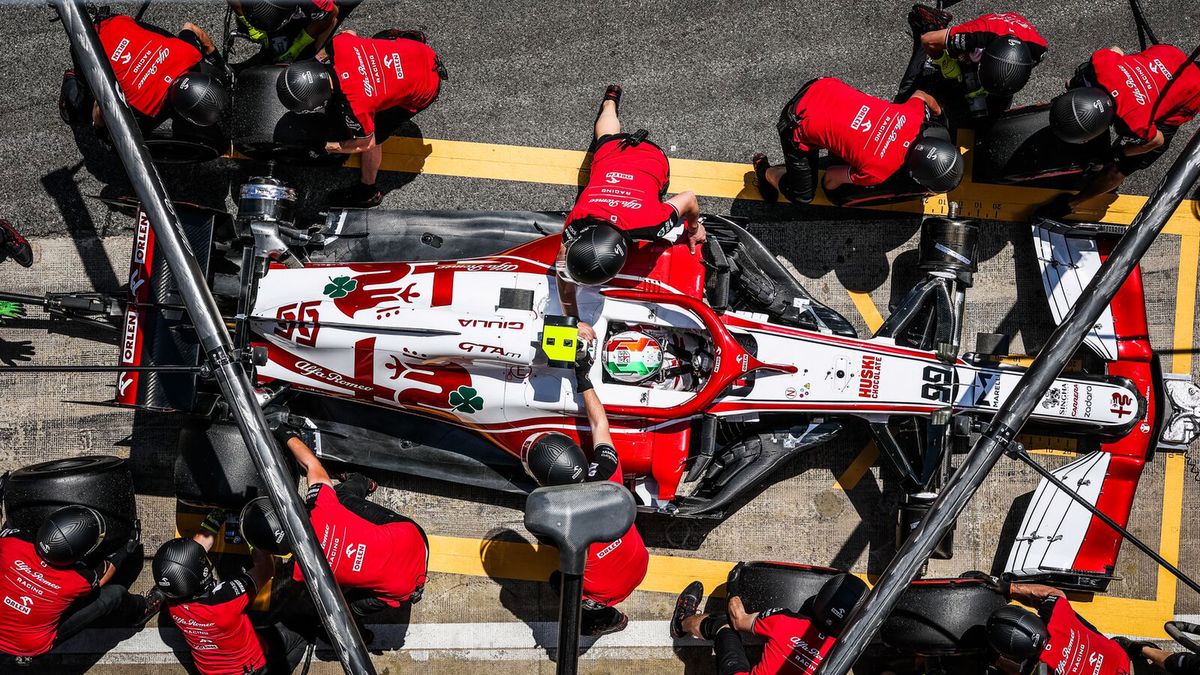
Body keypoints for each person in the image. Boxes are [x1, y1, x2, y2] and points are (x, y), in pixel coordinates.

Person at [241, 431, 429, 634]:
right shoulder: (324, 505)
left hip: (404, 588)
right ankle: (362, 481)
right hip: (413, 540)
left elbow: (267, 568)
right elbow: (311, 464)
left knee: (346, 609)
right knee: (340, 496)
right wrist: (283, 432)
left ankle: (358, 635)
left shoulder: (302, 572)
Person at [521, 348, 649, 636]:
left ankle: (600, 620)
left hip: (606, 591)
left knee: (560, 583)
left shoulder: (553, 522)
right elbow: (599, 424)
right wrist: (584, 378)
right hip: (639, 563)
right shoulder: (606, 472)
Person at [555, 85, 704, 311]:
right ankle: (609, 103)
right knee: (605, 138)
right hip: (615, 151)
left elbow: (689, 198)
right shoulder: (577, 219)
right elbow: (563, 259)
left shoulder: (653, 224)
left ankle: (609, 103)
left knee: (607, 141)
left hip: (653, 158)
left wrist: (694, 229)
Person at [276, 29, 447, 208]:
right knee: (377, 41)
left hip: (427, 85)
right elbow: (350, 32)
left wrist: (327, 147)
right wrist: (314, 62)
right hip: (418, 51)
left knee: (378, 131)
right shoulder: (340, 45)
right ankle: (413, 38)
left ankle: (368, 191)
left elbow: (367, 143)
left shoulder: (355, 107)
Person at [1040, 43, 1200, 219]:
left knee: (1121, 168)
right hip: (1168, 55)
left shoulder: (1137, 123)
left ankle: (1072, 203)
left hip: (1191, 88)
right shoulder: (1100, 64)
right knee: (1073, 82)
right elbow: (1115, 51)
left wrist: (1120, 152)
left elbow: (1157, 141)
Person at [751, 77, 963, 207]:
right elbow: (830, 180)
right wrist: (838, 194)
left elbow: (921, 94)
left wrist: (940, 113)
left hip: (823, 86)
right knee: (801, 196)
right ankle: (763, 170)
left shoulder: (914, 116)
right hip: (796, 120)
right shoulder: (879, 171)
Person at [153, 512, 308, 675]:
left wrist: (215, 517)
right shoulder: (226, 600)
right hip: (250, 668)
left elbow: (193, 552)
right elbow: (266, 568)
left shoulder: (172, 599)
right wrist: (251, 532)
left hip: (209, 670)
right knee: (301, 633)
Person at [0, 507, 154, 665]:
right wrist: (126, 549)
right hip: (31, 645)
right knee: (114, 594)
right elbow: (106, 572)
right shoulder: (79, 579)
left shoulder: (9, 542)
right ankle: (142, 610)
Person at [669, 573, 869, 674]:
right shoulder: (844, 655)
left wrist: (735, 591)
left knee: (724, 625)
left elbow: (739, 619)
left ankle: (681, 623)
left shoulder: (786, 621)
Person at [75, 14, 229, 133]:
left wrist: (219, 63)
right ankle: (72, 79)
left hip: (117, 22)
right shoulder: (145, 107)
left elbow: (191, 27)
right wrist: (101, 131)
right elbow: (99, 107)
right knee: (80, 105)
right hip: (86, 44)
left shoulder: (188, 52)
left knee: (167, 40)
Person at [899, 5, 1047, 114]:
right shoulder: (973, 37)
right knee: (904, 98)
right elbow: (928, 40)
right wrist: (946, 63)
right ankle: (932, 23)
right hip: (986, 33)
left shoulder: (1038, 51)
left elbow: (1012, 72)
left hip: (1008, 37)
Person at [986, 579, 1132, 674]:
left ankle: (1140, 648)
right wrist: (1011, 588)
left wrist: (1011, 589)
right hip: (1118, 661)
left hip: (1120, 661)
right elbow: (1054, 594)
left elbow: (1054, 593)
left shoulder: (1059, 619)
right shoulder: (1059, 620)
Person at [228, 0, 355, 62]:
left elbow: (331, 15)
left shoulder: (317, 3)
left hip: (324, 6)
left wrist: (299, 45)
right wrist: (250, 26)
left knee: (340, 8)